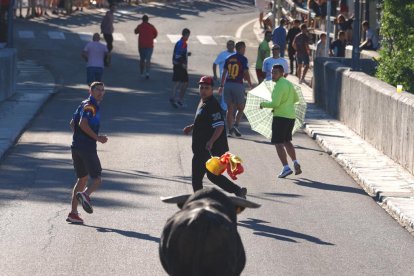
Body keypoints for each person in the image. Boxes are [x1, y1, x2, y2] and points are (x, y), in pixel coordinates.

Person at [183, 76, 247, 198]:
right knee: (212, 176)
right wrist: (192, 127)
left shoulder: (212, 105)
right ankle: (238, 191)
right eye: (201, 87)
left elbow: (220, 126)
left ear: (213, 89)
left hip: (207, 149)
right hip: (203, 148)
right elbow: (205, 121)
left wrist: (211, 142)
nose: (203, 90)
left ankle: (199, 201)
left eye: (207, 88)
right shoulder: (203, 101)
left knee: (197, 178)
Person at [66, 82, 108, 224]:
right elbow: (82, 124)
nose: (101, 92)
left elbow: (72, 123)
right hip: (87, 148)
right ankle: (85, 195)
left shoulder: (83, 104)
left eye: (103, 90)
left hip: (76, 146)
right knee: (97, 180)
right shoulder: (91, 106)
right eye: (98, 90)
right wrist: (97, 138)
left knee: (82, 179)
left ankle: (73, 213)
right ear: (90, 90)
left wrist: (80, 137)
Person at [260, 64, 302, 178]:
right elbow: (296, 99)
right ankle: (295, 162)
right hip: (290, 116)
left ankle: (286, 167)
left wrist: (262, 104)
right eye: (272, 72)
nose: (272, 75)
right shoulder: (288, 83)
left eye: (275, 73)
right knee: (287, 141)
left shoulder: (279, 85)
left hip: (280, 117)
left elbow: (275, 104)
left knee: (278, 143)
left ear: (282, 73)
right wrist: (286, 103)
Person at [218, 41, 253, 138]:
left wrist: (221, 85)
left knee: (230, 108)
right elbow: (246, 72)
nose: (245, 50)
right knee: (241, 107)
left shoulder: (228, 58)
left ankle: (230, 130)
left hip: (228, 84)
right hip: (238, 85)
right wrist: (250, 84)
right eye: (244, 48)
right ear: (241, 48)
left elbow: (224, 73)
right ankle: (236, 125)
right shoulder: (243, 59)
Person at [170, 28, 191, 108]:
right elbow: (178, 55)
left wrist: (186, 54)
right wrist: (182, 64)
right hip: (180, 66)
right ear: (185, 35)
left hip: (177, 65)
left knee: (178, 82)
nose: (188, 37)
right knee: (184, 82)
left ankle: (174, 98)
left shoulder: (180, 42)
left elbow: (180, 53)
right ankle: (179, 100)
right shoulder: (182, 43)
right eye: (188, 35)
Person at [212, 40, 235, 111]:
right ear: (227, 46)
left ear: (234, 46)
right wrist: (215, 75)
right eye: (229, 45)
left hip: (234, 77)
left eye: (232, 45)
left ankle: (230, 109)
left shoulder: (237, 54)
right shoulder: (223, 54)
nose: (231, 46)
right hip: (224, 77)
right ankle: (224, 109)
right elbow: (215, 64)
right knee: (224, 94)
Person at [134, 14, 158, 79]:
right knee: (148, 59)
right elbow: (156, 33)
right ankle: (147, 73)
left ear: (142, 20)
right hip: (150, 45)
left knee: (142, 59)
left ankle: (141, 73)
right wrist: (152, 37)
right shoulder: (151, 26)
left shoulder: (140, 26)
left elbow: (135, 32)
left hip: (141, 45)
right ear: (148, 20)